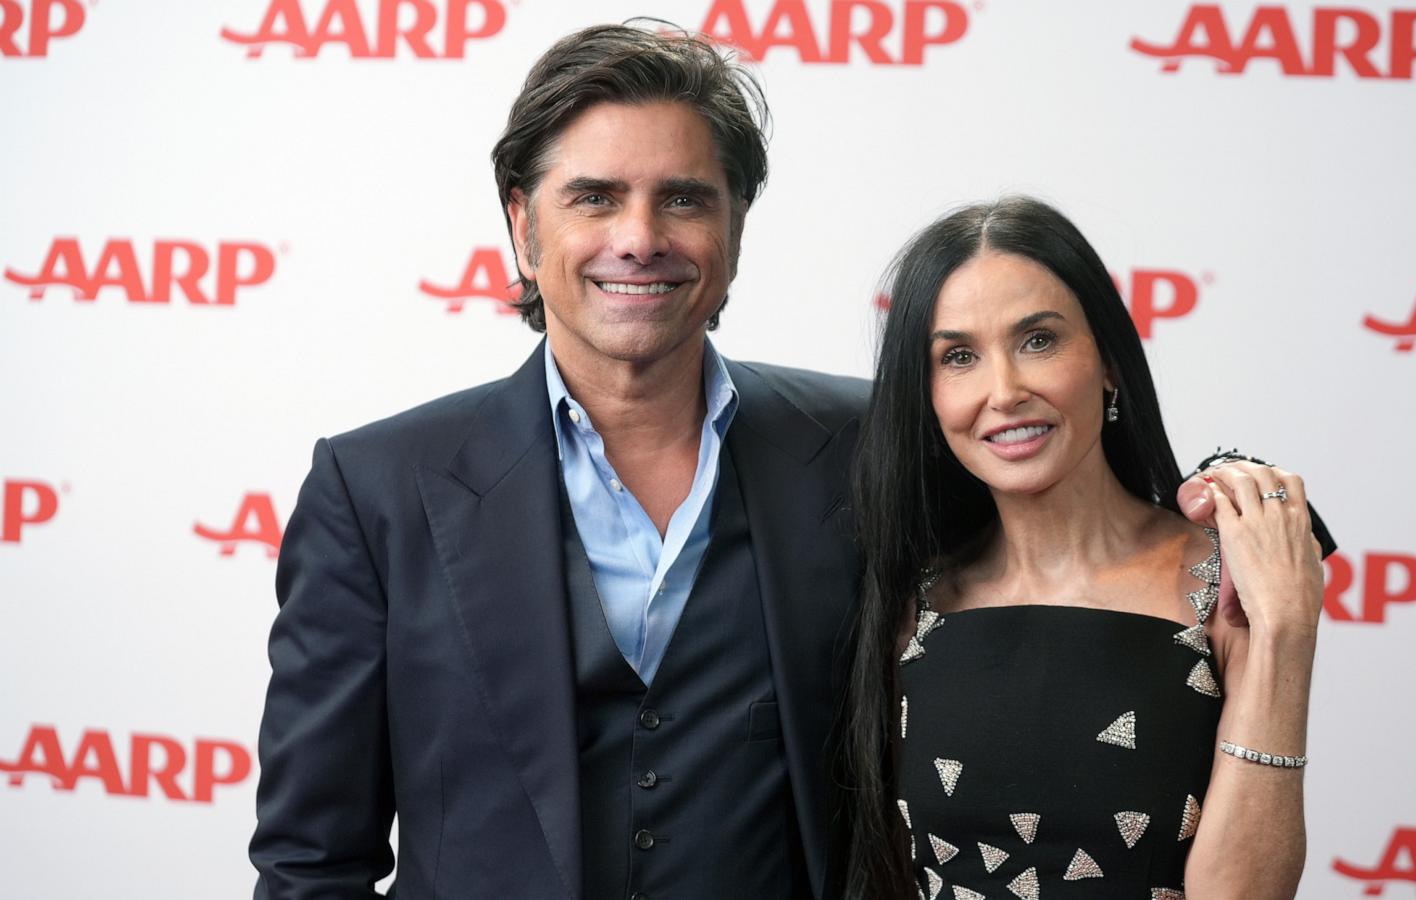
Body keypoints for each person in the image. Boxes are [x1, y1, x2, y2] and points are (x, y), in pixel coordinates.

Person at [249, 23, 1323, 900]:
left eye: (684, 197)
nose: (641, 235)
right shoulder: (377, 489)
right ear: (522, 226)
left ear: (734, 227)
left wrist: (1236, 502)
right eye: (593, 197)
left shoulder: (869, 448)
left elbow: (1050, 490)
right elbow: (312, 862)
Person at [843, 197, 1329, 900]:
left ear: (1108, 362)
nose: (1004, 391)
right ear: (926, 396)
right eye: (958, 357)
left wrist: (1286, 627)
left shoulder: (1230, 584)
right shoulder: (910, 599)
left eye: (1038, 340)